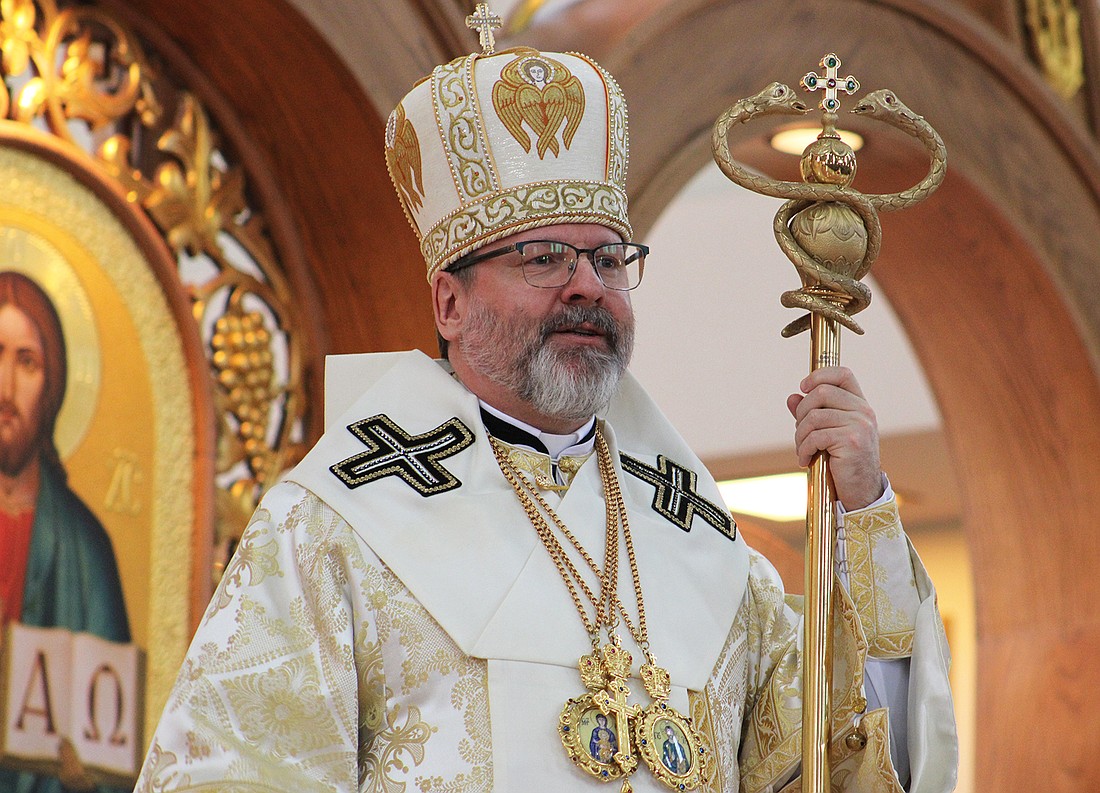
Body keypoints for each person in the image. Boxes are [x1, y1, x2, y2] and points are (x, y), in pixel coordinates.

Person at [136, 39, 957, 793]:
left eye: (608, 258)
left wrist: (864, 511)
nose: (586, 286)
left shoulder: (707, 550)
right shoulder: (333, 531)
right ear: (449, 302)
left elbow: (843, 767)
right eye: (543, 257)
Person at [0, 271, 130, 792]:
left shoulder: (86, 548)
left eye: (26, 362)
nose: (4, 387)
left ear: (51, 385)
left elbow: (113, 755)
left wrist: (88, 779)